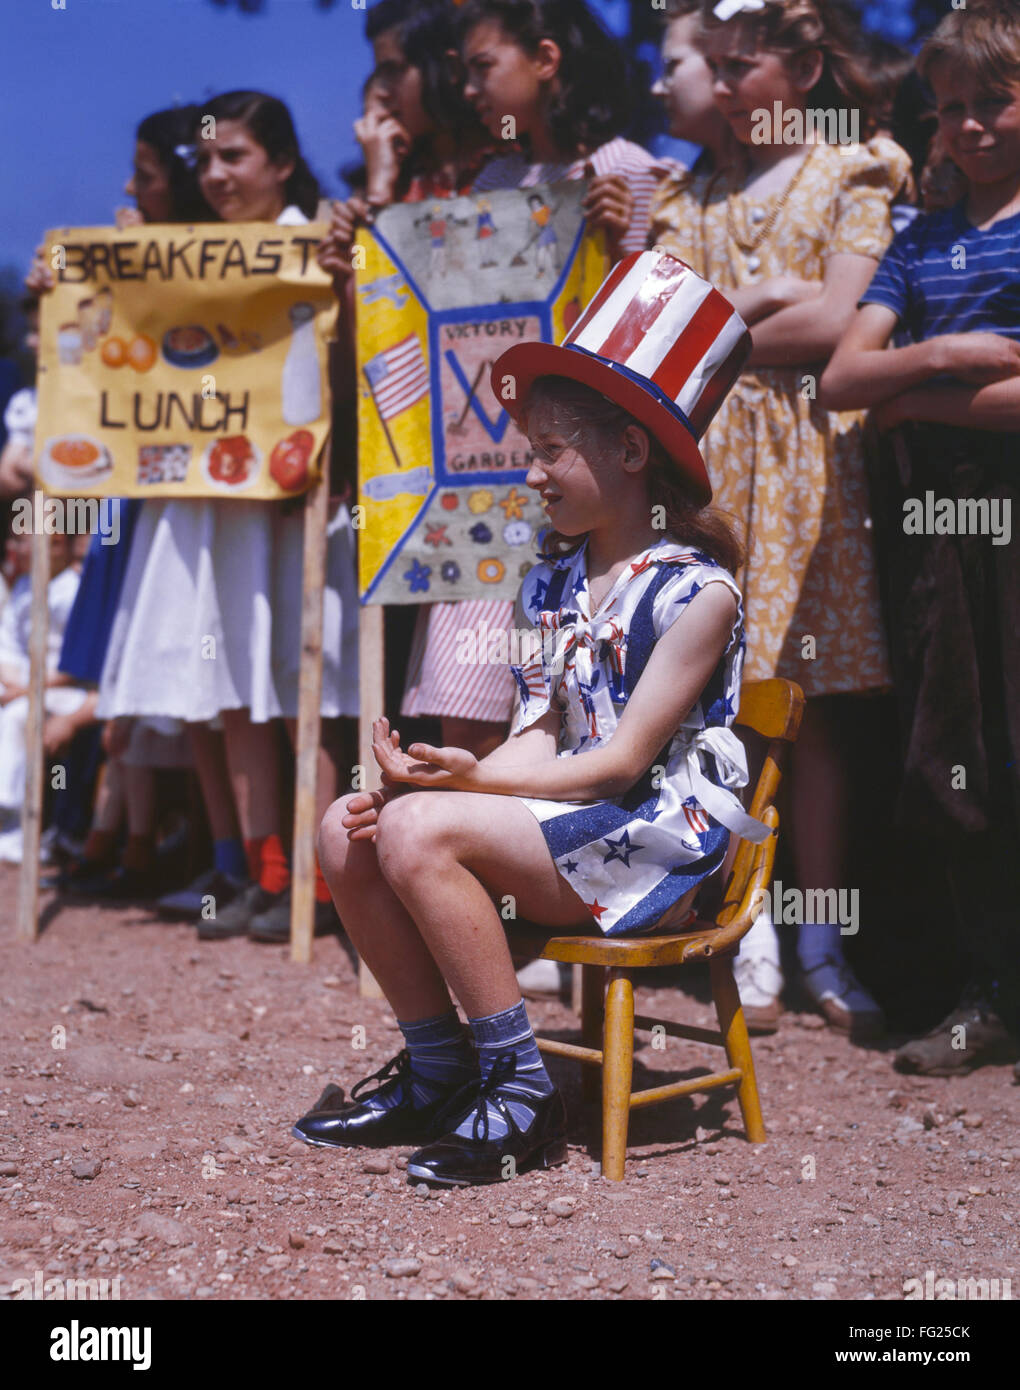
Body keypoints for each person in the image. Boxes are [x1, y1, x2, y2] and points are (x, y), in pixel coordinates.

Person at [292, 249, 770, 1185]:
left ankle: (519, 1092)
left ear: (630, 453)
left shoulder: (694, 593)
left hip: (659, 840)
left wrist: (468, 788)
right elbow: (545, 729)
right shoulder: (554, 577)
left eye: (551, 450)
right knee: (348, 833)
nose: (532, 473)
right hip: (576, 818)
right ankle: (439, 1069)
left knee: (423, 833)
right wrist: (444, 772)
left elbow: (619, 763)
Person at [646, 0, 912, 1038]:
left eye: (741, 64)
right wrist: (762, 302)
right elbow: (667, 322)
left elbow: (846, 317)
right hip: (710, 465)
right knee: (711, 703)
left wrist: (731, 314)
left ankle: (821, 938)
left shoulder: (856, 167)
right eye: (712, 64)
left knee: (812, 706)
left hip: (809, 465)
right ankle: (737, 922)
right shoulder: (690, 189)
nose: (721, 83)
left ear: (801, 69)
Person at [97, 91, 356, 941]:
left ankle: (317, 883)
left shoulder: (316, 242)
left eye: (234, 157)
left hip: (292, 498)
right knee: (238, 687)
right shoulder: (190, 253)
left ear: (280, 162)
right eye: (205, 160)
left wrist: (343, 274)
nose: (214, 175)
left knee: (298, 688)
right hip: (214, 493)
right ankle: (258, 865)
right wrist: (73, 285)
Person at [819, 2, 1020, 1080]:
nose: (971, 125)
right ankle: (986, 992)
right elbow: (847, 377)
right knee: (961, 751)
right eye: (951, 109)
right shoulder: (922, 240)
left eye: (994, 100)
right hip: (940, 537)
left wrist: (921, 399)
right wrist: (968, 351)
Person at [0, 531, 89, 864]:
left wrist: (24, 691)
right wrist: (14, 685)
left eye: (26, 540)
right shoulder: (23, 587)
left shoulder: (76, 591)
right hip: (23, 684)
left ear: (56, 546)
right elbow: (6, 647)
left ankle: (11, 819)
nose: (17, 547)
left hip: (66, 690)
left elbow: (79, 665)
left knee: (19, 715)